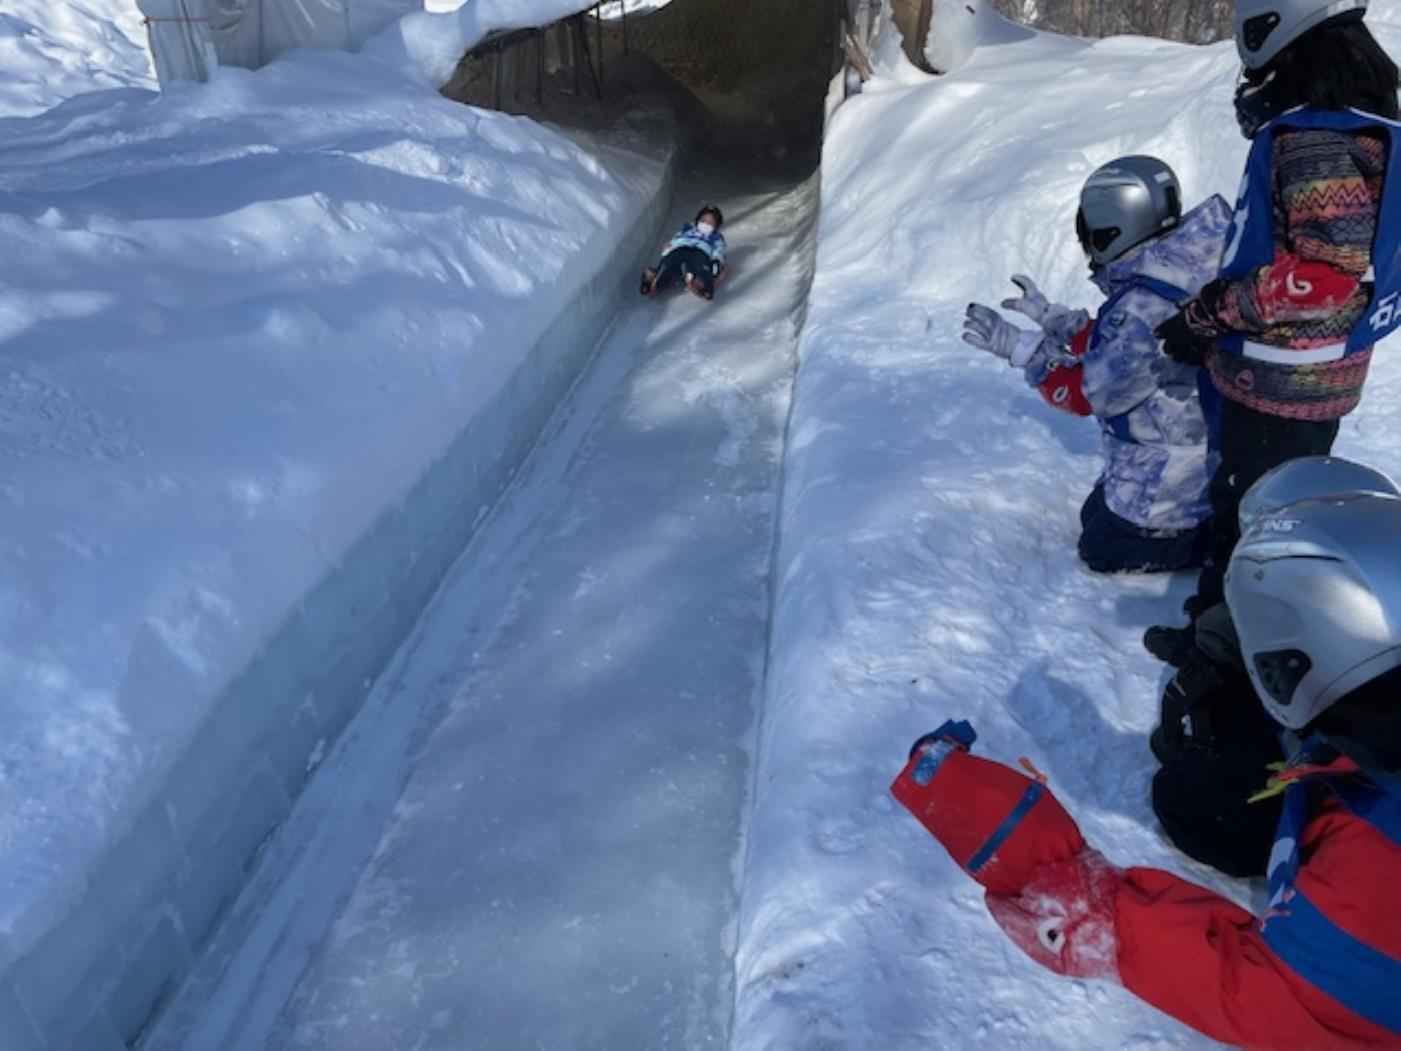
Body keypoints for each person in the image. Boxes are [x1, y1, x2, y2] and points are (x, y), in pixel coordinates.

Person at [891, 492, 1401, 1048]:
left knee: (1189, 805)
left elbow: (1279, 1002)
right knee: (1200, 796)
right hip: (1346, 786)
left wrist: (1084, 904)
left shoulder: (1374, 859)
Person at [1146, 0, 1401, 657]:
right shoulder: (1361, 127)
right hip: (1319, 371)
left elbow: (1324, 272)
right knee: (1278, 508)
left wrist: (1207, 315)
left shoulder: (1317, 140)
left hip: (1280, 379)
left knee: (1249, 518)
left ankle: (1223, 656)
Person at [961, 157, 1229, 573]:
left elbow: (1091, 394)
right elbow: (1130, 350)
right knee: (1097, 507)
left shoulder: (1138, 308)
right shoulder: (1195, 266)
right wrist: (1057, 321)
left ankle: (1195, 544)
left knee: (1098, 545)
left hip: (1175, 488)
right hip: (1210, 460)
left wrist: (1023, 350)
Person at [641, 205, 728, 301]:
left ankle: (702, 284)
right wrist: (667, 251)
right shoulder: (686, 231)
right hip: (680, 249)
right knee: (669, 263)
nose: (706, 224)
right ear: (697, 220)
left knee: (700, 265)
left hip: (700, 252)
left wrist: (717, 261)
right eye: (703, 220)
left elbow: (719, 250)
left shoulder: (716, 237)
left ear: (716, 227)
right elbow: (674, 241)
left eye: (710, 223)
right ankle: (655, 279)